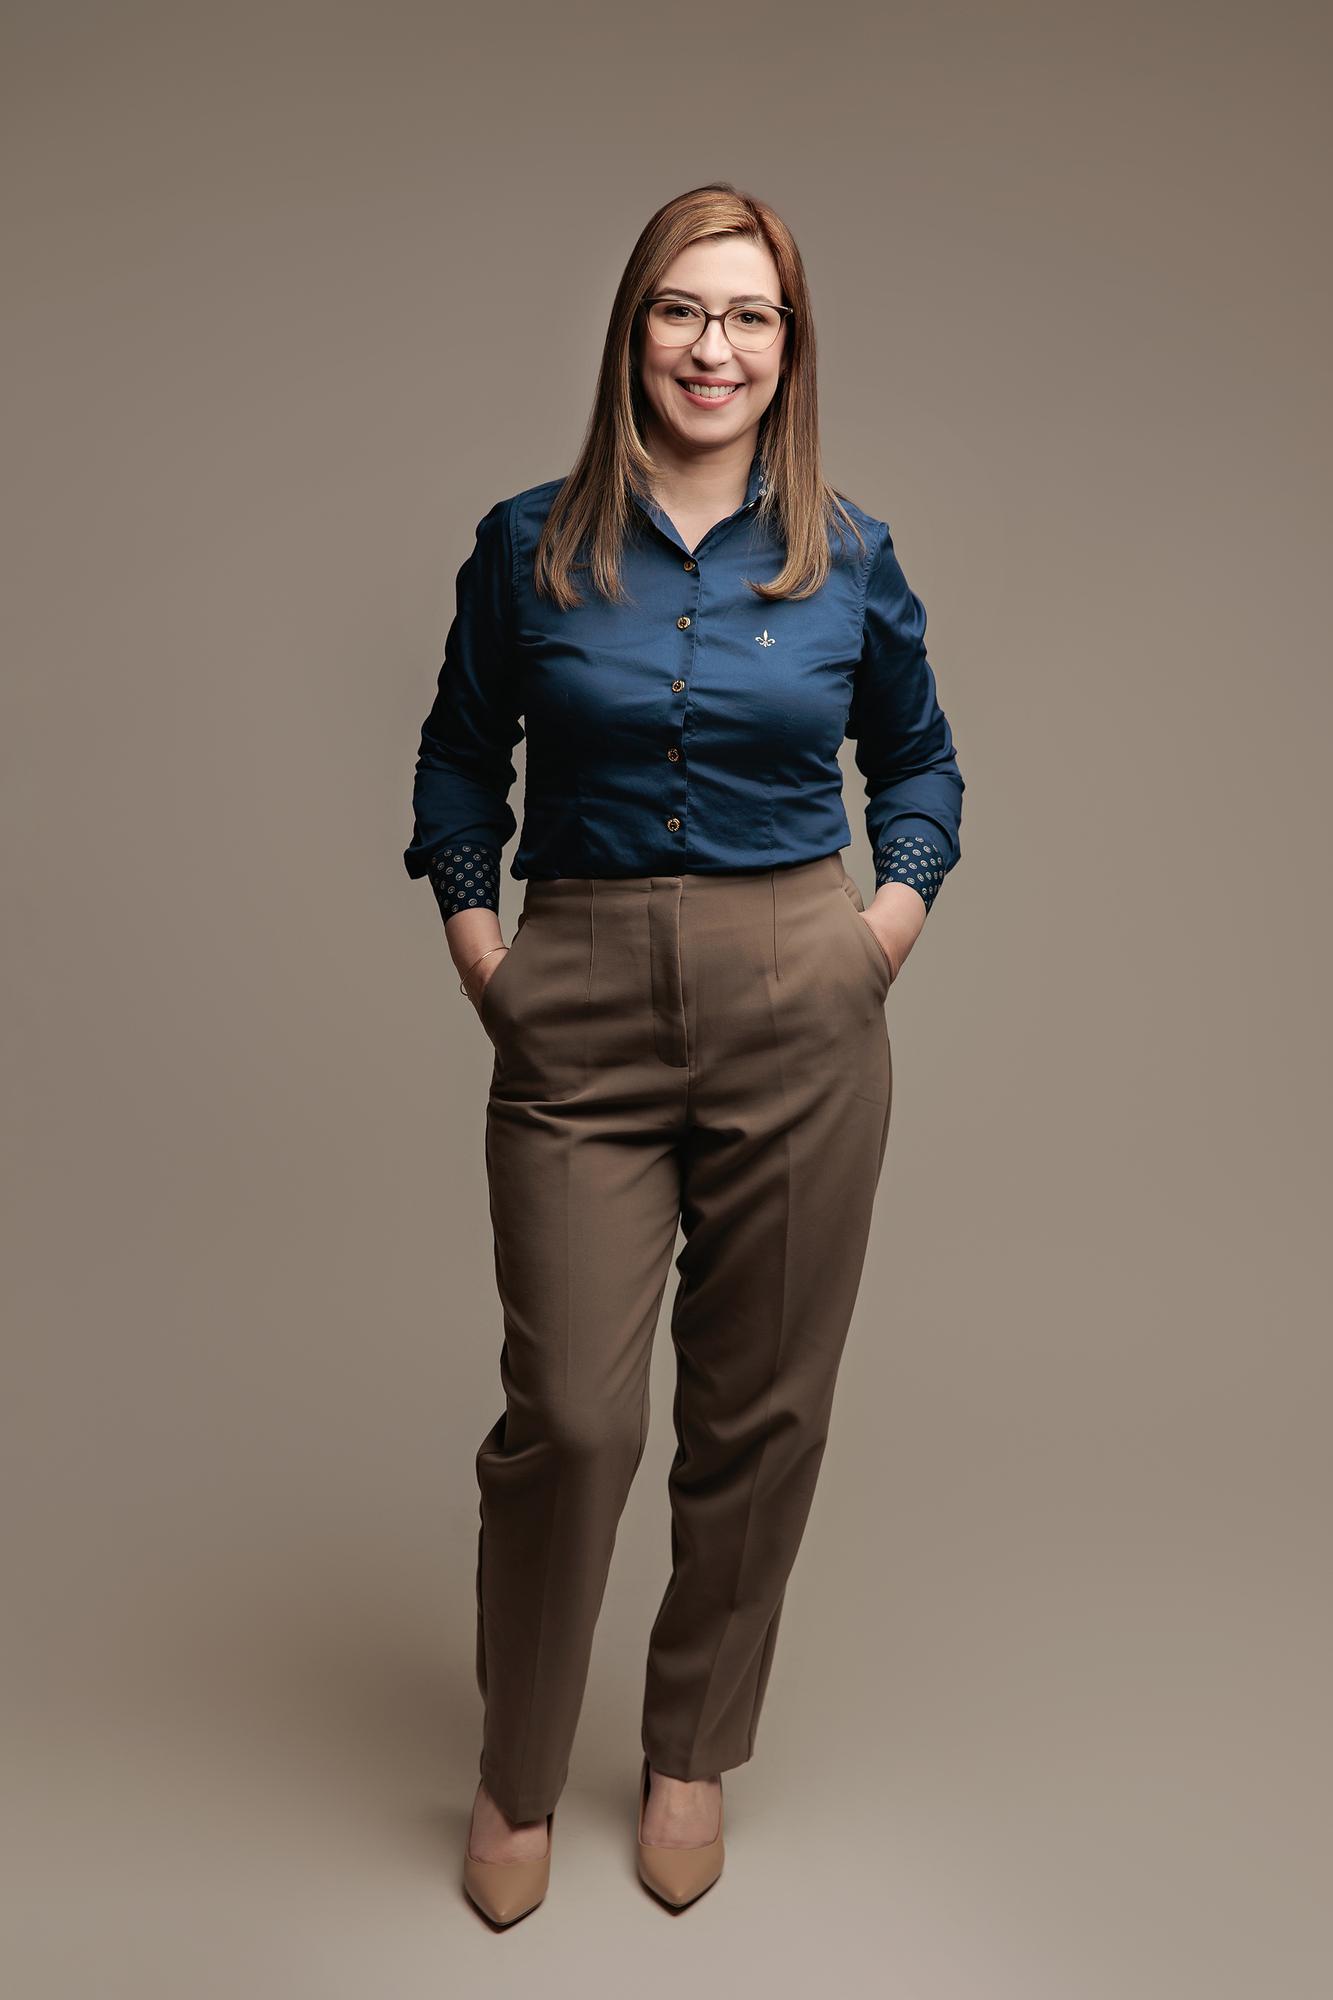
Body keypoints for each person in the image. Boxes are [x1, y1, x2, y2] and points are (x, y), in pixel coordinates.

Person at [402, 181, 965, 1924]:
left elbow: (924, 773)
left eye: (749, 317)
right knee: (568, 1415)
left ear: (789, 352)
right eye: (679, 310)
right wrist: (490, 953)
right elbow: (450, 767)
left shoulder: (848, 554)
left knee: (761, 1410)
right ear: (630, 331)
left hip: (803, 989)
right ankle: (516, 1770)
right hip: (574, 991)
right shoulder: (527, 545)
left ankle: (688, 1750)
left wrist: (879, 932)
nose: (711, 348)